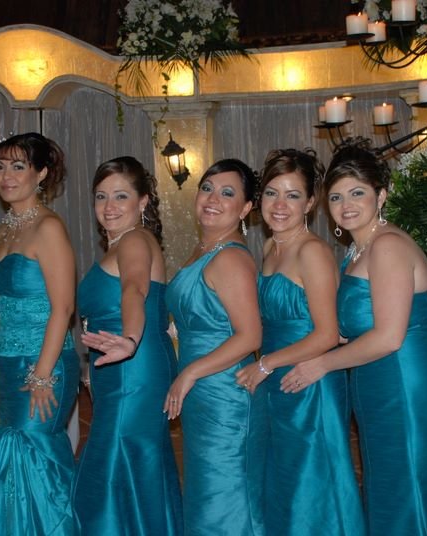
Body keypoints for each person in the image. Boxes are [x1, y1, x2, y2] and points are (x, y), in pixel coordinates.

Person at [280, 144, 427, 535]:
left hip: (405, 383)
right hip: (377, 383)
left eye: (357, 193)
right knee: (392, 485)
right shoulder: (356, 251)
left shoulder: (388, 245)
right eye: (336, 197)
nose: (346, 205)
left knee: (414, 486)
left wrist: (320, 364)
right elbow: (355, 325)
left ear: (381, 195)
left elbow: (388, 337)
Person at [236, 148, 366, 535]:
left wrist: (265, 364)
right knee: (284, 480)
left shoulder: (313, 251)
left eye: (292, 195)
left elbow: (328, 333)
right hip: (277, 378)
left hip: (310, 381)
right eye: (272, 193)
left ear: (310, 203)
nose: (280, 205)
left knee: (313, 482)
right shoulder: (270, 247)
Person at [0, 133, 80, 535]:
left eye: (18, 166)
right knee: (14, 465)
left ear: (41, 173)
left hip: (46, 362)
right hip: (11, 362)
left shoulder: (49, 227)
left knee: (36, 458)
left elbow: (63, 308)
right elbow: (4, 307)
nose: (6, 176)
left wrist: (42, 375)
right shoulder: (6, 227)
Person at [73, 156, 182, 535]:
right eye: (101, 196)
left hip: (133, 367)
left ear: (143, 201)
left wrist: (131, 340)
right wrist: (92, 367)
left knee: (112, 465)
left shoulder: (134, 240)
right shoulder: (119, 244)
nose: (109, 206)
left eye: (121, 196)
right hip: (120, 365)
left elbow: (134, 289)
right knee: (130, 465)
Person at [164, 159, 265, 535]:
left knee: (223, 495)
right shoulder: (205, 250)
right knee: (207, 490)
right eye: (207, 188)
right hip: (203, 392)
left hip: (224, 393)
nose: (212, 199)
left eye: (227, 193)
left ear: (245, 208)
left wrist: (189, 372)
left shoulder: (231, 258)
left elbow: (250, 336)